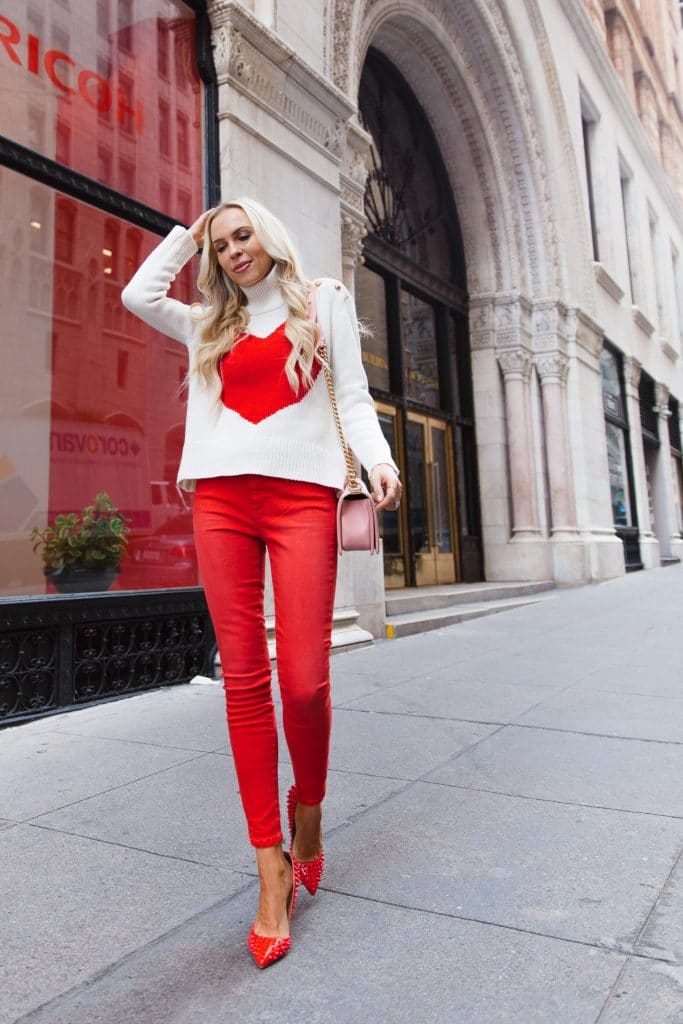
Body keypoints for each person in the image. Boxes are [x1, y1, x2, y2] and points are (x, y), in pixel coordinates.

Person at [121, 198, 401, 968]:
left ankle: (307, 807)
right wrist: (189, 234)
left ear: (269, 235)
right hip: (220, 497)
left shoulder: (324, 304)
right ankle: (269, 864)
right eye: (223, 244)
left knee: (305, 681)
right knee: (243, 678)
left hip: (302, 496)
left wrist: (379, 460)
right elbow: (137, 297)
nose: (234, 251)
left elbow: (349, 398)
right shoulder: (211, 323)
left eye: (242, 234)